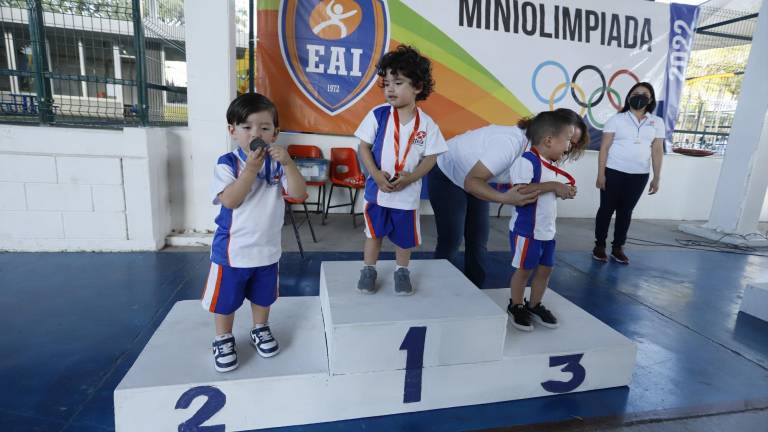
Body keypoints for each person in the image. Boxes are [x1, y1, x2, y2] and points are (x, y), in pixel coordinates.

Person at [202, 93, 306, 372]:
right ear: (232, 131)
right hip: (232, 252)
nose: (255, 133)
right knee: (226, 301)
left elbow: (299, 193)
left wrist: (289, 163)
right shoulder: (227, 163)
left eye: (264, 127)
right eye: (246, 127)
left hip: (268, 249)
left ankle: (260, 328)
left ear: (275, 133)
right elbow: (231, 200)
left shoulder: (278, 162)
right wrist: (250, 170)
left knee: (263, 297)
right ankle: (223, 337)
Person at [431, 108, 588, 287]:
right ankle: (437, 288)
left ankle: (476, 289)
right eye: (568, 140)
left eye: (573, 144)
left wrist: (555, 188)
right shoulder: (510, 143)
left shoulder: (538, 153)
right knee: (452, 239)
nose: (568, 149)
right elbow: (472, 182)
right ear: (549, 136)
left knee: (478, 239)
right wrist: (505, 198)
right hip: (448, 172)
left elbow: (526, 187)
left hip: (476, 177)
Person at [356, 45, 447, 295]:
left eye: (398, 83)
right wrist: (375, 174)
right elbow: (363, 147)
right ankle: (368, 269)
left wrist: (412, 178)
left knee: (404, 238)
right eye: (386, 83)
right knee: (373, 233)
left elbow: (432, 157)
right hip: (378, 190)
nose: (390, 89)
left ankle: (402, 270)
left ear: (417, 87)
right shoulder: (378, 115)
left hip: (406, 195)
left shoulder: (427, 124)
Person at [506, 111, 581, 331]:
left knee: (545, 269)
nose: (569, 145)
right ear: (549, 140)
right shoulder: (526, 161)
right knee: (523, 270)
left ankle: (535, 304)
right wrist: (554, 187)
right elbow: (520, 191)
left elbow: (547, 191)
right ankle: (516, 305)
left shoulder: (550, 165)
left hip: (547, 231)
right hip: (527, 230)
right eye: (567, 139)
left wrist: (562, 191)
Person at [593, 82, 664, 265]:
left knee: (626, 212)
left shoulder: (657, 122)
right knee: (606, 209)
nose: (639, 96)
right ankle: (599, 246)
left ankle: (618, 248)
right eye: (635, 93)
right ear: (629, 97)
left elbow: (657, 151)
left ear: (650, 99)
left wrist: (657, 177)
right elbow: (604, 148)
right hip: (614, 171)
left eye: (644, 94)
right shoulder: (616, 119)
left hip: (639, 175)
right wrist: (601, 174)